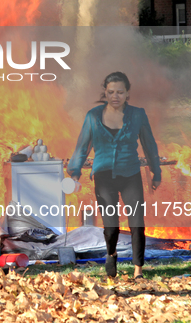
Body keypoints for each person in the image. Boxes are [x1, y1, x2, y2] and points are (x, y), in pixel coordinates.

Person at [67, 72, 161, 279]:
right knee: (111, 225)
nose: (115, 96)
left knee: (136, 221)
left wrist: (156, 172)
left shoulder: (137, 115)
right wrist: (74, 173)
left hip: (131, 175)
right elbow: (82, 147)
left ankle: (138, 270)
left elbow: (149, 145)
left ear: (128, 93)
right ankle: (112, 253)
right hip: (103, 177)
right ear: (105, 93)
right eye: (111, 92)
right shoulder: (93, 116)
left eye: (120, 92)